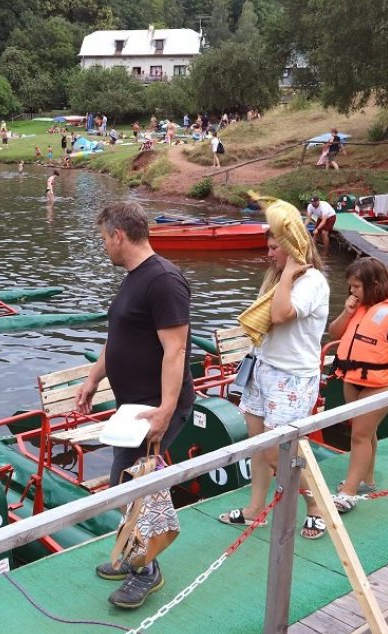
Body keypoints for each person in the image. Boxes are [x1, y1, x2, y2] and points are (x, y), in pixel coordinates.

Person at [75, 201, 194, 610]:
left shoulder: (163, 280)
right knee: (128, 484)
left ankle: (146, 569)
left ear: (118, 235)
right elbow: (119, 338)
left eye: (104, 239)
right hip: (134, 408)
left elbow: (175, 350)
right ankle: (132, 556)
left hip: (155, 410)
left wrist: (165, 409)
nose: (104, 246)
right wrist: (93, 378)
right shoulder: (134, 279)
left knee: (131, 485)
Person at [223, 196, 330, 540]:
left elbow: (282, 315)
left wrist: (287, 274)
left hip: (292, 377)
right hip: (263, 369)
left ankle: (317, 507)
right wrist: (282, 275)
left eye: (274, 248)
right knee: (258, 443)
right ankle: (256, 509)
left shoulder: (310, 282)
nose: (268, 253)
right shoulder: (277, 279)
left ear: (292, 249)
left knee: (279, 451)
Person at [328, 258, 388, 513]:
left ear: (374, 284)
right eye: (350, 286)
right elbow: (334, 334)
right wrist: (347, 311)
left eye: (356, 286)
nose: (352, 291)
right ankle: (366, 481)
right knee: (366, 433)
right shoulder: (360, 305)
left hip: (381, 384)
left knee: (359, 435)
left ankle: (347, 493)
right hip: (353, 379)